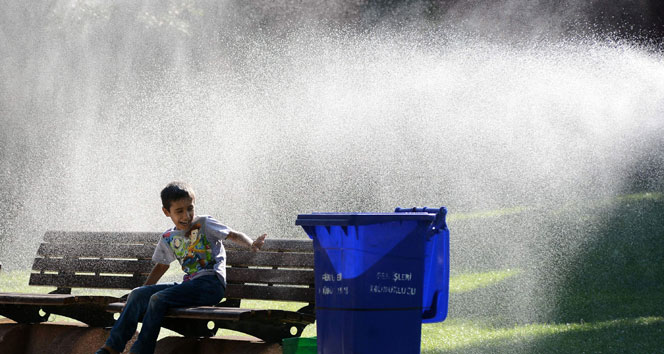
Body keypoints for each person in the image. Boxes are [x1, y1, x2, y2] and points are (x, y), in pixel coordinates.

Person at [96, 181, 267, 354]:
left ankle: (141, 350)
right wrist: (143, 290)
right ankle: (110, 348)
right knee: (138, 294)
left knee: (158, 299)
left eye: (190, 208)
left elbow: (232, 234)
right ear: (166, 212)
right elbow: (161, 266)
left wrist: (251, 243)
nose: (186, 215)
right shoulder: (169, 237)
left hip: (211, 284)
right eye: (179, 211)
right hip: (190, 286)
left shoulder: (205, 223)